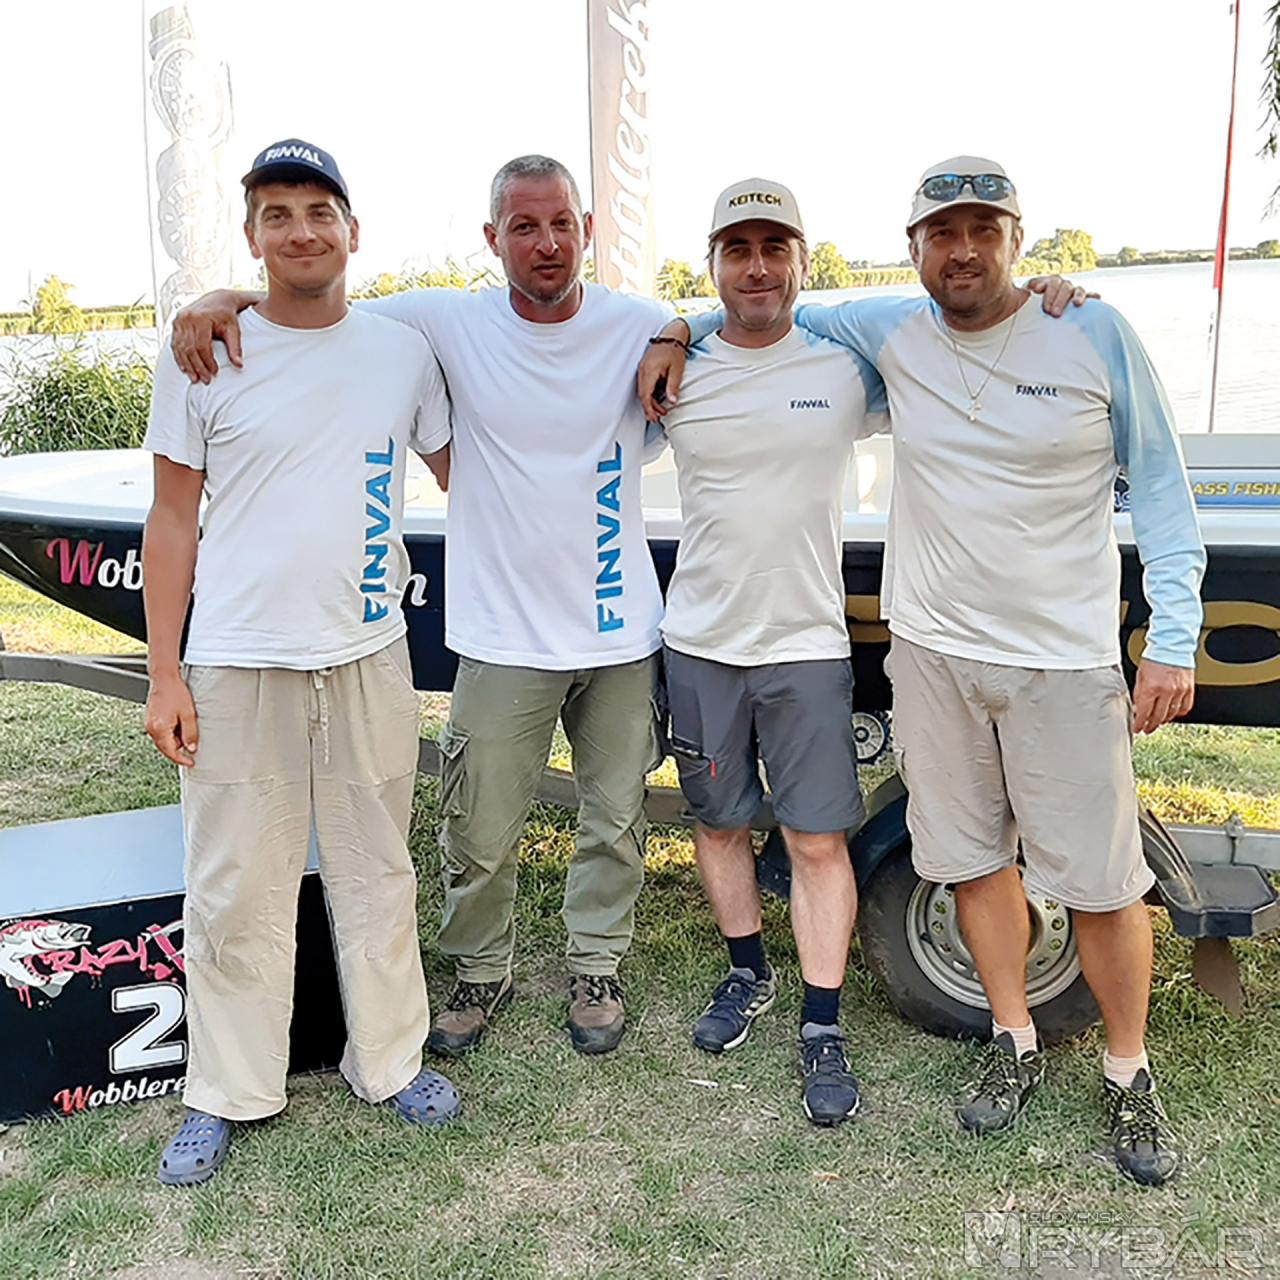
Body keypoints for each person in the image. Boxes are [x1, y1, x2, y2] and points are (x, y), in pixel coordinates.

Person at [640, 157, 1203, 1185]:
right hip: (934, 656)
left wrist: (1174, 634)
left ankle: (1128, 1070)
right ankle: (1011, 1040)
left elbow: (1162, 485)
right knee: (973, 864)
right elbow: (757, 306)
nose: (963, 250)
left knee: (1102, 881)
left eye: (984, 229)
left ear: (1018, 240)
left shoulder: (1090, 331)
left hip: (1063, 658)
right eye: (942, 233)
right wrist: (674, 326)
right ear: (913, 249)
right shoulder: (891, 331)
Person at [169, 155, 672, 1058]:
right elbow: (315, 302)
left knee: (616, 816)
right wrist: (220, 297)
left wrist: (676, 332)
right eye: (524, 227)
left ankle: (596, 963)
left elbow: (719, 319)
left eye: (562, 223)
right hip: (501, 634)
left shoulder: (638, 323)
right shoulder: (440, 320)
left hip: (618, 629)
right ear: (492, 239)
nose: (546, 243)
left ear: (587, 229)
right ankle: (481, 969)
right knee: (476, 826)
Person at [143, 140, 459, 1186]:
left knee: (379, 871)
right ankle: (226, 1089)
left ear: (353, 230)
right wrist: (164, 673)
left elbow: (463, 472)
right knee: (235, 884)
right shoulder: (202, 353)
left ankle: (391, 1061)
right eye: (276, 214)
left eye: (319, 211)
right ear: (252, 236)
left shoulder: (402, 352)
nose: (301, 230)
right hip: (236, 661)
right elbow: (172, 519)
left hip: (368, 654)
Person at [651, 179, 885, 1125]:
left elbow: (951, 339)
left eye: (774, 247)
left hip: (806, 645)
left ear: (800, 260)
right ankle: (747, 971)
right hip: (700, 642)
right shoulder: (673, 373)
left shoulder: (846, 369)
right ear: (712, 263)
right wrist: (677, 329)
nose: (757, 267)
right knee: (718, 824)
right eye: (737, 249)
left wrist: (1046, 301)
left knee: (817, 838)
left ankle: (821, 1024)